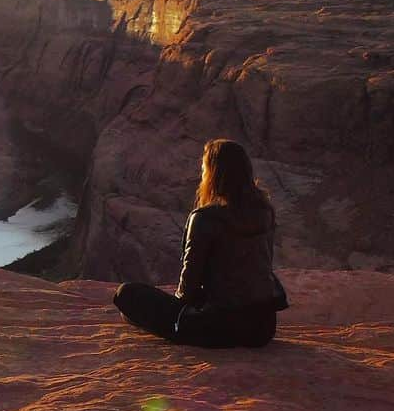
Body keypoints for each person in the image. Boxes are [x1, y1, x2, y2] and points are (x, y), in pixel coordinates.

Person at [114, 138, 288, 348]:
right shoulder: (265, 211)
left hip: (219, 327)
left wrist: (178, 310)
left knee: (127, 294)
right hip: (263, 329)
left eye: (205, 169)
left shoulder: (205, 219)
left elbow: (188, 288)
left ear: (214, 174)